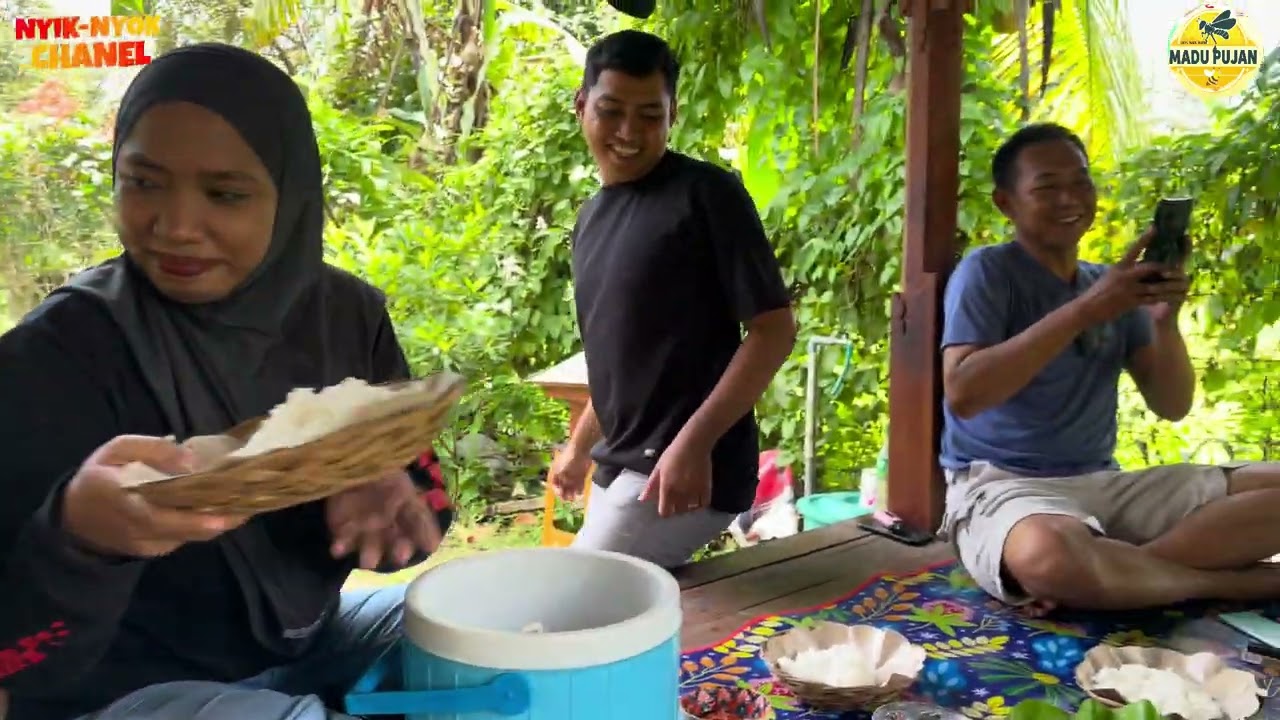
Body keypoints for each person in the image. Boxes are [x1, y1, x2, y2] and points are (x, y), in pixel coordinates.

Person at [0, 43, 452, 720]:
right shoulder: (57, 357)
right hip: (124, 692)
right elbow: (19, 659)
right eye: (144, 182)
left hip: (311, 643)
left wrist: (393, 493)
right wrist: (79, 543)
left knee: (492, 637)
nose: (176, 227)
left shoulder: (347, 320)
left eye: (225, 194)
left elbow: (425, 499)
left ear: (291, 195)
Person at [937, 121, 1280, 616]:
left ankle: (1121, 572)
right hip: (1004, 486)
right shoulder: (988, 272)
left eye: (1080, 182)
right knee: (1048, 556)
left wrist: (1164, 321)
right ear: (1006, 204)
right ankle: (1235, 584)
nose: (1069, 198)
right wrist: (1086, 310)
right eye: (1047, 186)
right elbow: (964, 392)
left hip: (1105, 485)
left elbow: (1172, 405)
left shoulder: (1111, 285)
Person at [548, 30, 797, 569]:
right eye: (611, 111)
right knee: (612, 615)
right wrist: (579, 448)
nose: (629, 133)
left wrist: (694, 443)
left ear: (672, 114)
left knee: (573, 606)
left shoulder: (706, 194)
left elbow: (775, 328)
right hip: (623, 466)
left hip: (686, 470)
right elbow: (620, 364)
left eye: (649, 116)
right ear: (581, 106)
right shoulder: (591, 219)